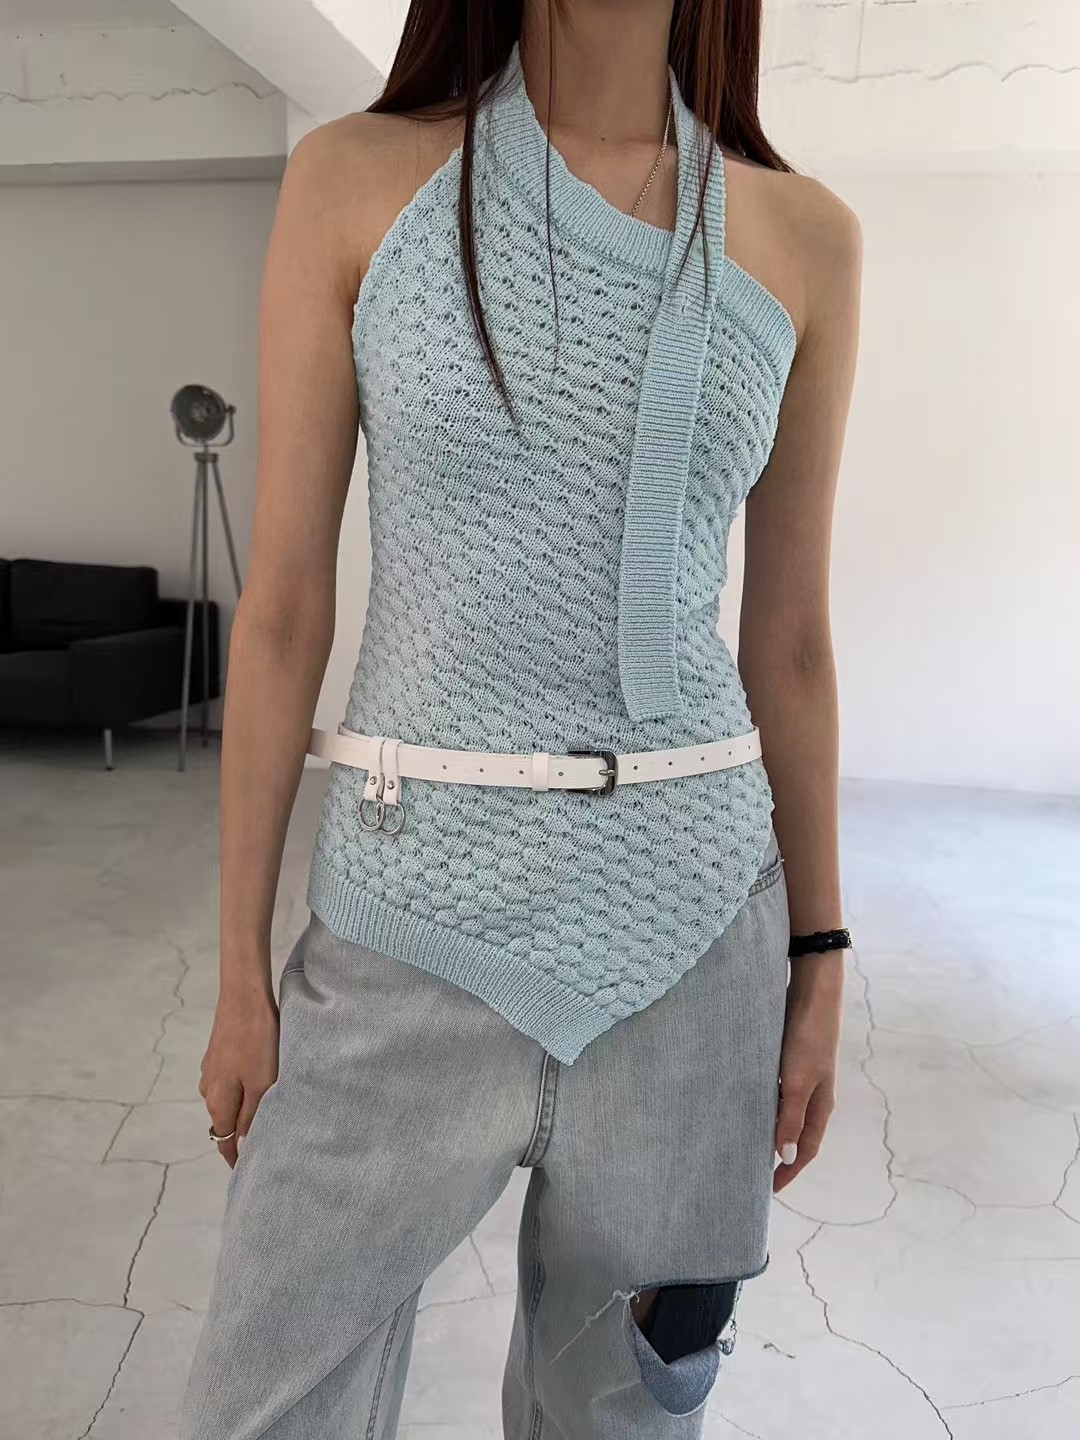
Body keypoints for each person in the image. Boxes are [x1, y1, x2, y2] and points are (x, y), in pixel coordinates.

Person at [180, 1, 861, 1435]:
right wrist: (241, 969)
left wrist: (819, 958)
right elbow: (285, 607)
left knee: (625, 1411)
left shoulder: (803, 238)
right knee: (265, 1403)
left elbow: (791, 643)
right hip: (407, 916)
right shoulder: (358, 179)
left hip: (694, 944)